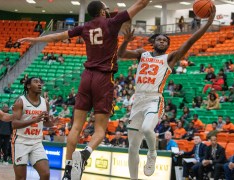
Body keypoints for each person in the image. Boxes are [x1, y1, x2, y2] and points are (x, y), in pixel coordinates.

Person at [19, 1, 151, 179]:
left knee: (76, 127)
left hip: (86, 76)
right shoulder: (112, 22)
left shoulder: (84, 27)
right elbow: (142, 3)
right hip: (103, 78)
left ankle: (67, 171)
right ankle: (84, 154)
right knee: (100, 130)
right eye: (106, 8)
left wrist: (34, 39)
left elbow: (56, 37)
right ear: (103, 11)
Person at [117, 6, 215, 179]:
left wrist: (208, 23)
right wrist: (125, 40)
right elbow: (121, 54)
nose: (163, 42)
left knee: (148, 128)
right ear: (153, 42)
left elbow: (190, 41)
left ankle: (152, 153)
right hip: (137, 100)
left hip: (154, 99)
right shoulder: (142, 53)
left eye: (165, 41)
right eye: (160, 40)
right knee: (132, 147)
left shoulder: (169, 58)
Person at [11, 77, 57, 180]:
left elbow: (46, 123)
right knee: (21, 178)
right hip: (21, 142)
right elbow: (14, 124)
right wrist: (33, 120)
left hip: (37, 142)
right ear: (28, 86)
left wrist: (52, 123)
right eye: (36, 82)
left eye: (40, 82)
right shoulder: (20, 101)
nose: (39, 84)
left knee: (45, 174)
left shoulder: (45, 103)